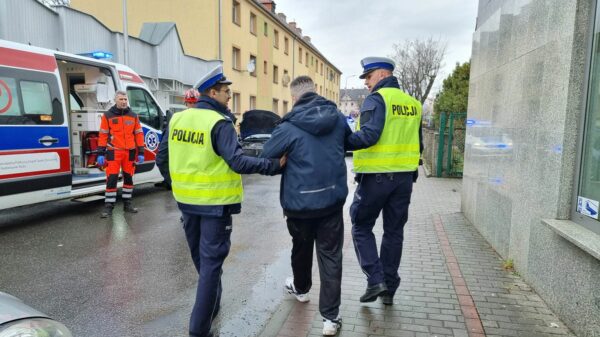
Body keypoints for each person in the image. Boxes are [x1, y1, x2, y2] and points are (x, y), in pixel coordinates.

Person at [156, 63, 285, 337]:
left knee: (204, 264)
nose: (229, 96)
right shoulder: (220, 123)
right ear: (212, 92)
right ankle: (199, 330)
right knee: (211, 267)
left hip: (187, 203)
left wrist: (176, 185)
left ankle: (211, 307)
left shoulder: (178, 119)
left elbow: (162, 157)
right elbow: (237, 161)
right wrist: (272, 165)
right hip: (215, 206)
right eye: (226, 91)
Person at [261, 76, 352, 336]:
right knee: (331, 257)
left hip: (299, 204)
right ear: (315, 92)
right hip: (331, 203)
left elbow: (267, 154)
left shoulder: (288, 126)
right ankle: (330, 319)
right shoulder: (337, 118)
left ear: (295, 97)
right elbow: (349, 142)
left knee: (301, 250)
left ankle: (301, 289)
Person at [346, 57, 423, 305]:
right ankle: (389, 288)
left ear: (381, 74)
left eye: (368, 77)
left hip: (376, 179)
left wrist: (341, 140)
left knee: (360, 225)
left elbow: (369, 135)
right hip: (404, 181)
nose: (367, 83)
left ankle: (375, 280)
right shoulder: (413, 104)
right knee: (394, 232)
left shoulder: (378, 99)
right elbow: (419, 144)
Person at [97, 90, 145, 218]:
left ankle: (127, 204)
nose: (124, 102)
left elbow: (139, 134)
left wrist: (141, 151)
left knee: (128, 178)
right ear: (115, 100)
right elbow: (103, 135)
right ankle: (108, 207)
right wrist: (100, 153)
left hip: (130, 151)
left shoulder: (133, 116)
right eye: (121, 99)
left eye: (125, 99)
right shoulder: (107, 116)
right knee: (111, 179)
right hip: (113, 152)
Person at [155, 88, 202, 190]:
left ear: (185, 103)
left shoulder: (176, 119)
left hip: (181, 185)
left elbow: (161, 157)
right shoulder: (209, 119)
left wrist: (171, 181)